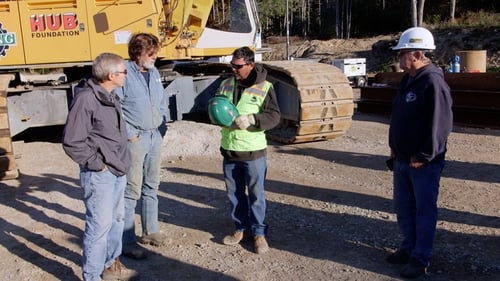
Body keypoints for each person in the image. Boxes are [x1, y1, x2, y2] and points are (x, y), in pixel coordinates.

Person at [62, 53, 139, 281]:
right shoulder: (87, 98)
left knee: (116, 221)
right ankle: (92, 276)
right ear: (111, 75)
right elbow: (72, 141)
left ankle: (110, 264)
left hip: (117, 170)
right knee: (99, 227)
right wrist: (98, 165)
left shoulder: (110, 95)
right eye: (124, 72)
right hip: (100, 175)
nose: (127, 75)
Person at [386, 27, 453, 279]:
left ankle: (420, 257)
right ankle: (408, 247)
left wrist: (423, 156)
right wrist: (394, 147)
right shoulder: (409, 79)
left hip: (422, 164)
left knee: (423, 210)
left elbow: (441, 125)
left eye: (401, 53)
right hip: (402, 159)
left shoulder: (433, 82)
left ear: (415, 54)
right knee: (404, 208)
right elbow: (400, 116)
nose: (398, 58)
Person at [215, 46, 281, 254]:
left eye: (238, 66)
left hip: (253, 152)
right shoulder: (226, 84)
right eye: (232, 65)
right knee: (234, 194)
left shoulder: (264, 86)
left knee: (255, 194)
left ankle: (259, 233)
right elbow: (216, 106)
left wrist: (253, 119)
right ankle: (241, 228)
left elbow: (274, 116)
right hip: (229, 149)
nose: (233, 69)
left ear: (251, 64)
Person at [114, 33, 169, 260]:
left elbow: (162, 101)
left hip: (155, 135)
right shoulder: (124, 74)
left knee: (152, 185)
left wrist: (162, 126)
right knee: (131, 190)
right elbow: (114, 108)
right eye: (151, 53)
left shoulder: (154, 73)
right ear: (138, 53)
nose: (155, 57)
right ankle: (127, 241)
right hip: (136, 140)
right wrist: (131, 135)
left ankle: (151, 231)